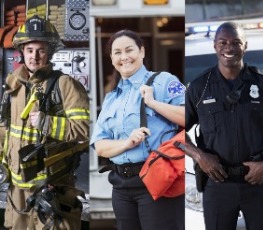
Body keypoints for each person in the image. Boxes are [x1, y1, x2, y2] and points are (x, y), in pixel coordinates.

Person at [185, 21, 263, 230]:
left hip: (258, 183)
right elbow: (174, 130)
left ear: (245, 46)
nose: (229, 48)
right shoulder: (199, 88)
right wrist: (200, 157)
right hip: (218, 184)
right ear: (215, 46)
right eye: (223, 42)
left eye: (236, 42)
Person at [0, 15, 89, 229]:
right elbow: (5, 128)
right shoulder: (13, 85)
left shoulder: (65, 85)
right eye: (30, 50)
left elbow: (85, 130)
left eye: (40, 50)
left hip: (51, 186)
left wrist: (46, 122)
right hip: (17, 188)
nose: (34, 56)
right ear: (22, 52)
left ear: (49, 52)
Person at [90, 29, 185, 230]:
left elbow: (191, 117)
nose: (124, 57)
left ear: (142, 52)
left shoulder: (164, 81)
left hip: (156, 179)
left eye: (129, 50)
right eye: (117, 52)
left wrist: (152, 102)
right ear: (111, 58)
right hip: (121, 187)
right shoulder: (111, 97)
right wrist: (126, 143)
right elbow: (99, 146)